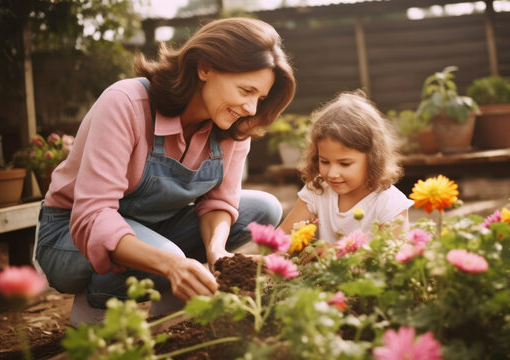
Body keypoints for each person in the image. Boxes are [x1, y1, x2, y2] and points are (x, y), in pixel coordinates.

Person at [34, 17, 296, 325]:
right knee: (169, 253)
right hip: (69, 234)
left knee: (263, 207)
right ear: (205, 68)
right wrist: (171, 263)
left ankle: (170, 295)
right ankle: (99, 302)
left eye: (260, 98)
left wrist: (218, 254)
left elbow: (218, 204)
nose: (251, 108)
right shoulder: (127, 103)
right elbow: (93, 213)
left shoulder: (233, 127)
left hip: (153, 228)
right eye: (246, 90)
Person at [279, 91, 413, 244]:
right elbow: (279, 239)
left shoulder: (389, 202)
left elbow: (391, 258)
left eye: (345, 164)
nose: (332, 173)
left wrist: (335, 253)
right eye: (324, 161)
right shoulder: (317, 190)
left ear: (373, 159)